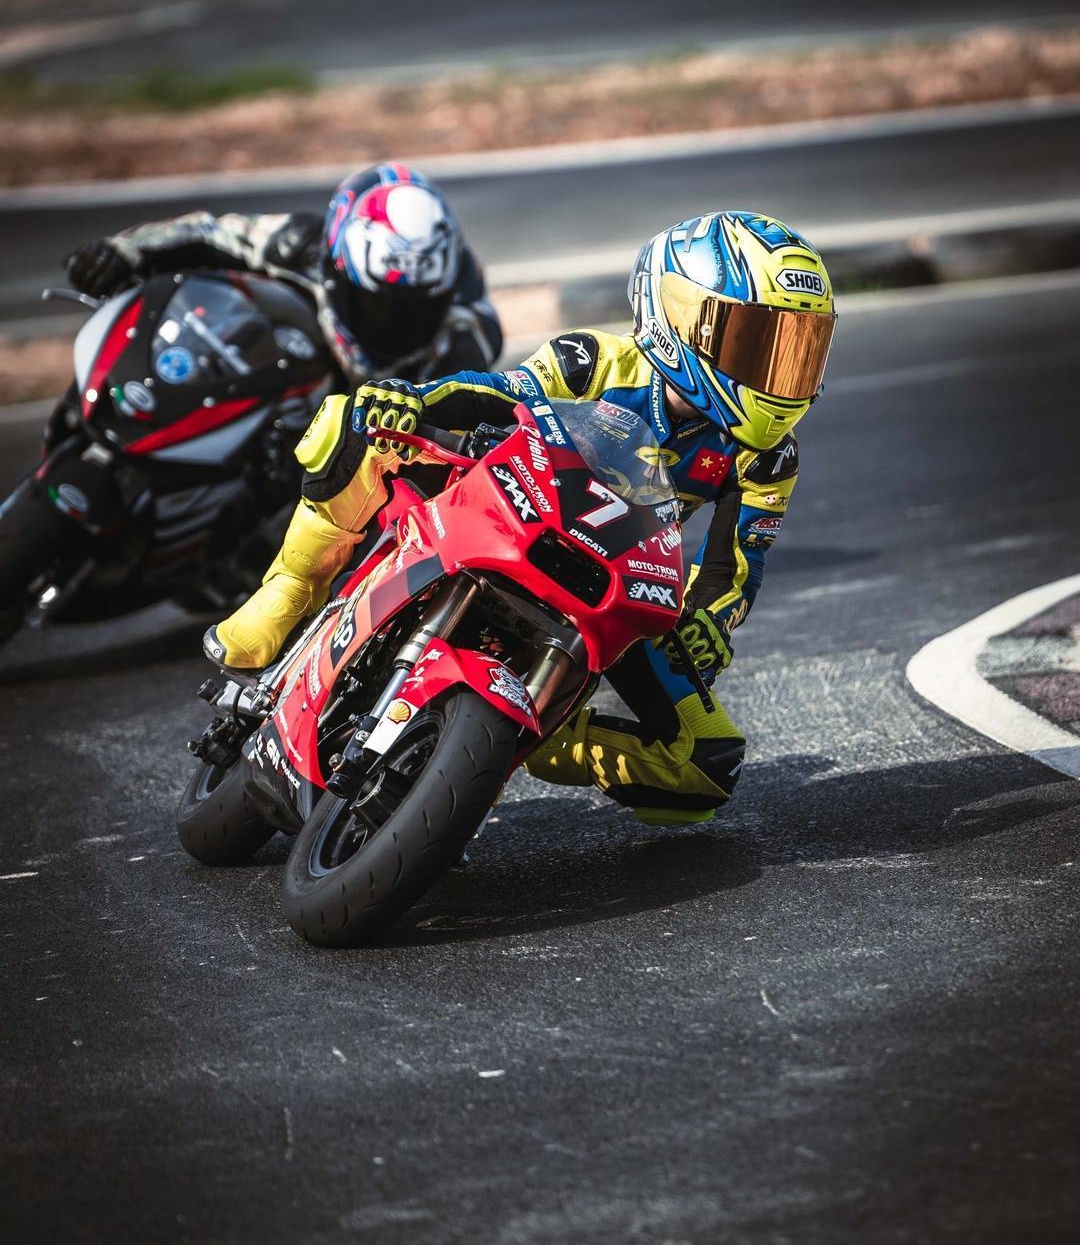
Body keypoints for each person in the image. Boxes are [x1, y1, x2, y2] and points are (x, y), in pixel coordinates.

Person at [205, 210, 835, 825]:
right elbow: (499, 391)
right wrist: (416, 401)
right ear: (679, 318)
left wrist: (708, 624)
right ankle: (290, 589)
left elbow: (734, 569)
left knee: (705, 764)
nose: (777, 374)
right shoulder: (596, 362)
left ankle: (549, 730)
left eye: (796, 353)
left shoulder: (769, 457)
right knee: (349, 420)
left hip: (616, 578)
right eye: (757, 343)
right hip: (515, 509)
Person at [63, 162, 502, 385]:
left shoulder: (465, 329)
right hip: (272, 366)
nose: (391, 323)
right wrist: (121, 253)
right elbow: (209, 233)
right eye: (375, 303)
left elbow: (482, 403)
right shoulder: (301, 243)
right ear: (339, 268)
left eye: (414, 312)